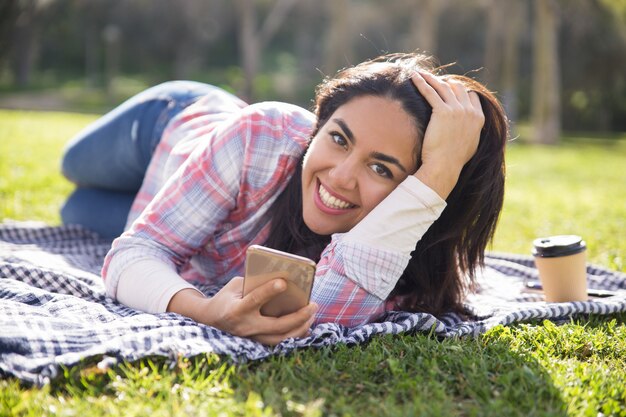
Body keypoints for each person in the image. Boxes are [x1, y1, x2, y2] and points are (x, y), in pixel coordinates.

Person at [60, 53, 508, 345]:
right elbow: (137, 253)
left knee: (75, 211)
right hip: (171, 124)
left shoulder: (404, 258)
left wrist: (441, 173)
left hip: (159, 200)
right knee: (71, 165)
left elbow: (322, 320)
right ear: (317, 127)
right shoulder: (260, 138)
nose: (340, 177)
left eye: (381, 168)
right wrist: (205, 311)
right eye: (337, 138)